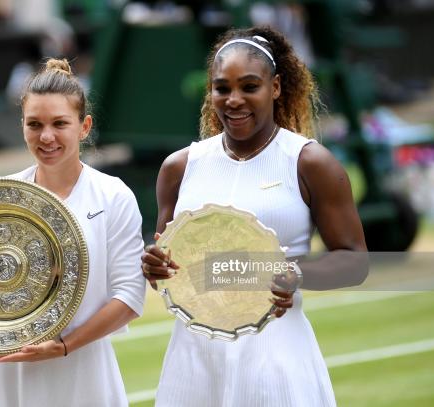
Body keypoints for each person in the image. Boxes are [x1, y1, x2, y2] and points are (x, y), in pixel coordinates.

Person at [141, 26, 368, 406]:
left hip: (276, 354)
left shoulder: (310, 162)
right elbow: (170, 269)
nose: (233, 100)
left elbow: (356, 261)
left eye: (249, 87)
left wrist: (296, 274)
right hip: (193, 360)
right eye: (222, 88)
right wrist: (154, 266)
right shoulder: (179, 167)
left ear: (275, 87)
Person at [0, 58, 146, 406]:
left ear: (84, 126)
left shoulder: (113, 196)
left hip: (83, 369)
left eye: (59, 124)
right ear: (22, 126)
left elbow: (129, 297)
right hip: (10, 370)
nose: (46, 136)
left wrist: (65, 346)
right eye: (35, 124)